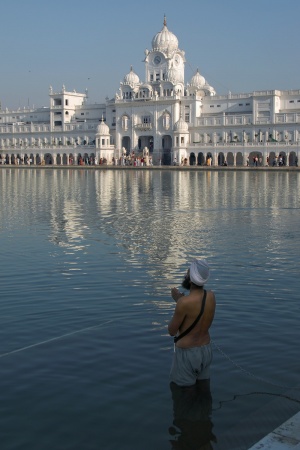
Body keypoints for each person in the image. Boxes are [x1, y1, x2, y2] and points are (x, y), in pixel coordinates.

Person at [168, 259, 216, 387]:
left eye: (187, 272)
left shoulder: (183, 303)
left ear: (190, 279)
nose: (185, 274)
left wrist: (178, 302)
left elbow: (172, 331)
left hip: (187, 354)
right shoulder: (211, 296)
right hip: (206, 350)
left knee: (184, 396)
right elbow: (197, 312)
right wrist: (180, 301)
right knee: (204, 390)